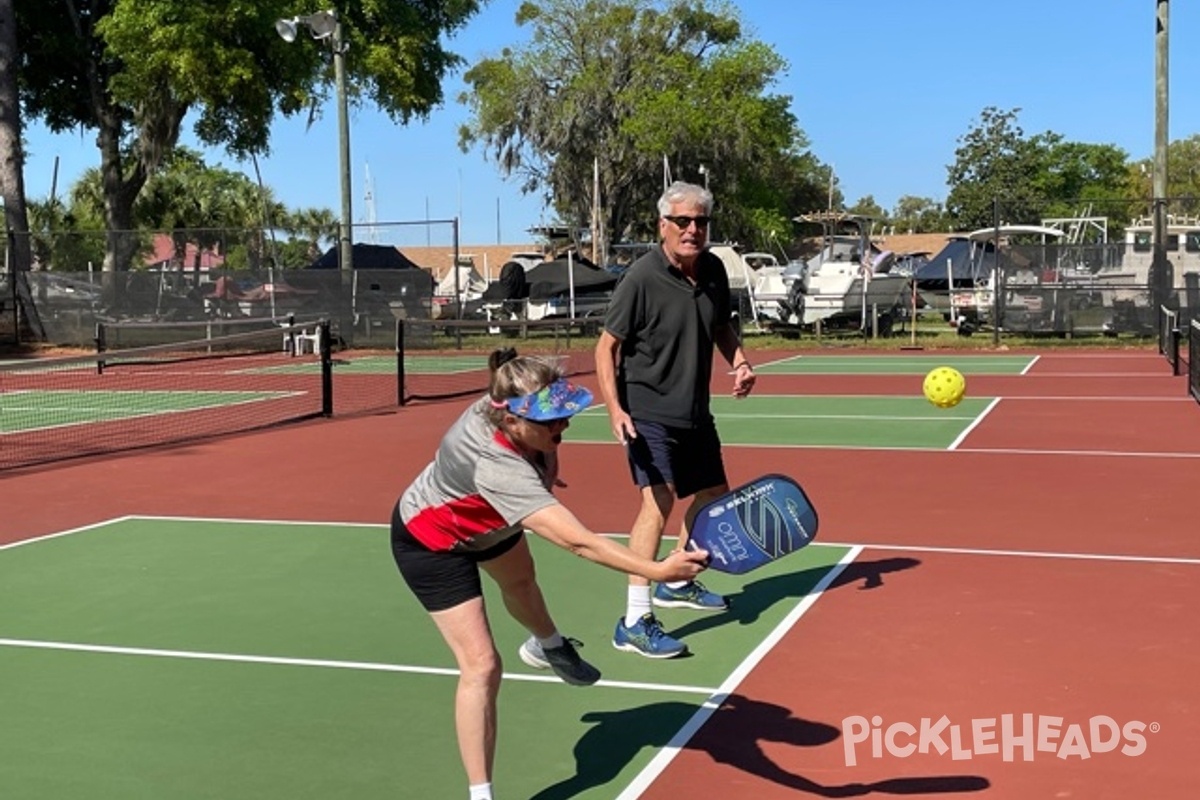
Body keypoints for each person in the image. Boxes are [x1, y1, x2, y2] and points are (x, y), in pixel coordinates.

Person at [390, 348, 709, 800]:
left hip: (490, 522)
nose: (562, 425)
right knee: (482, 666)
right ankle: (481, 795)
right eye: (550, 421)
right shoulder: (495, 464)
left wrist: (546, 469)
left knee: (521, 582)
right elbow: (580, 543)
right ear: (513, 420)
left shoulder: (518, 421)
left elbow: (542, 453)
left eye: (563, 416)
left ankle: (549, 647)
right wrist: (657, 569)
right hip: (433, 542)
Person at [594, 180, 757, 659]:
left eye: (700, 222)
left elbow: (720, 325)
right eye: (683, 221)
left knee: (712, 497)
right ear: (662, 225)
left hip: (694, 412)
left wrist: (741, 362)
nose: (692, 230)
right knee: (658, 503)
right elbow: (606, 347)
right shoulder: (641, 278)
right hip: (648, 411)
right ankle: (634, 619)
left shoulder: (712, 270)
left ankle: (676, 579)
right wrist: (615, 409)